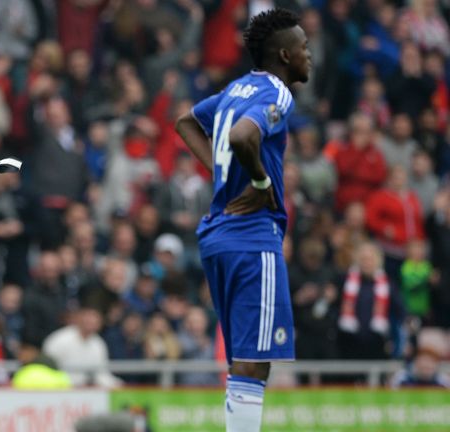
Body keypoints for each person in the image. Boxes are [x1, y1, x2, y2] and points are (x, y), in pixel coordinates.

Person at [175, 9, 311, 432]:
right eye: (305, 48)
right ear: (285, 55)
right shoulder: (278, 92)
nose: (310, 55)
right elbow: (242, 136)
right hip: (253, 237)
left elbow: (186, 122)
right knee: (254, 362)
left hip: (218, 237)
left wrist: (220, 175)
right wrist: (258, 177)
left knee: (243, 361)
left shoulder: (236, 87)